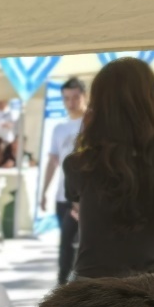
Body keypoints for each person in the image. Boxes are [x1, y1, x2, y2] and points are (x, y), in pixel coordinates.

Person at [64, 57, 154, 280]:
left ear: (99, 107)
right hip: (150, 290)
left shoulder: (82, 164)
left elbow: (79, 205)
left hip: (91, 290)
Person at [41, 77, 87, 285]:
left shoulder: (91, 124)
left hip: (84, 197)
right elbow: (52, 162)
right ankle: (65, 288)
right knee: (67, 246)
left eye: (75, 97)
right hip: (62, 196)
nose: (71, 102)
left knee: (75, 245)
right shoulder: (59, 128)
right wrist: (44, 191)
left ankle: (70, 287)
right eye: (67, 98)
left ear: (84, 96)